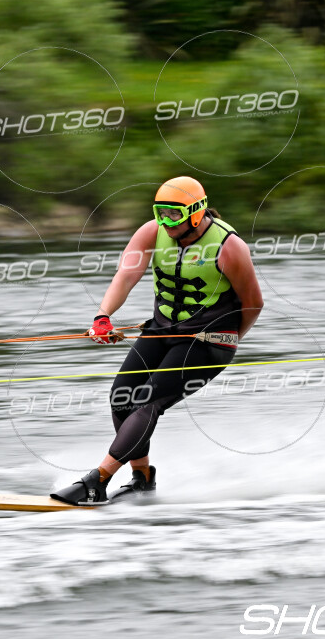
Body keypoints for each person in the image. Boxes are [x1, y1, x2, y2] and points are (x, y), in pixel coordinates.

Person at [52, 176, 263, 505]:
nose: (166, 221)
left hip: (208, 341)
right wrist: (103, 317)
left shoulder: (229, 247)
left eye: (174, 214)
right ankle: (142, 478)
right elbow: (126, 276)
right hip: (162, 330)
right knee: (121, 398)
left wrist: (228, 340)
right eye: (160, 212)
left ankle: (98, 480)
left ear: (196, 213)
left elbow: (253, 303)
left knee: (148, 401)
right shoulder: (152, 233)